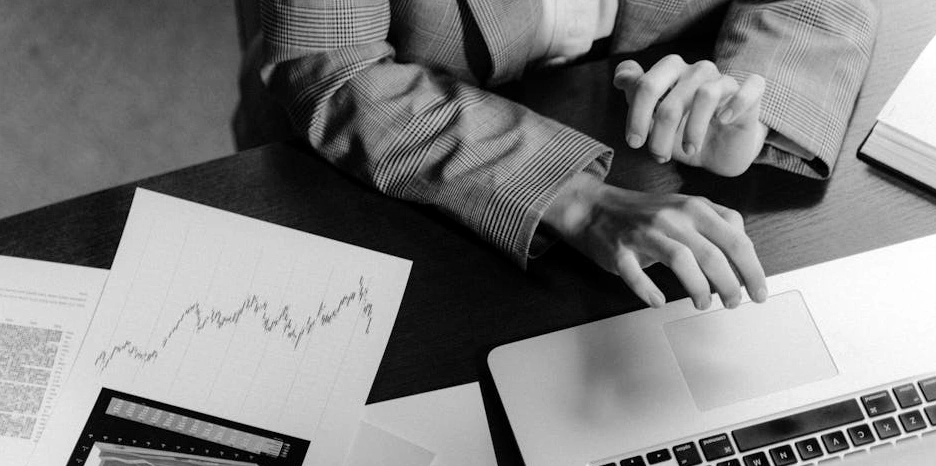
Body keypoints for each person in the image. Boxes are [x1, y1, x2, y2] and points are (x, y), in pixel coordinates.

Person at [237, 0, 878, 310]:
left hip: (638, 107)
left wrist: (751, 101)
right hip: (379, 152)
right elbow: (334, 71)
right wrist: (572, 195)